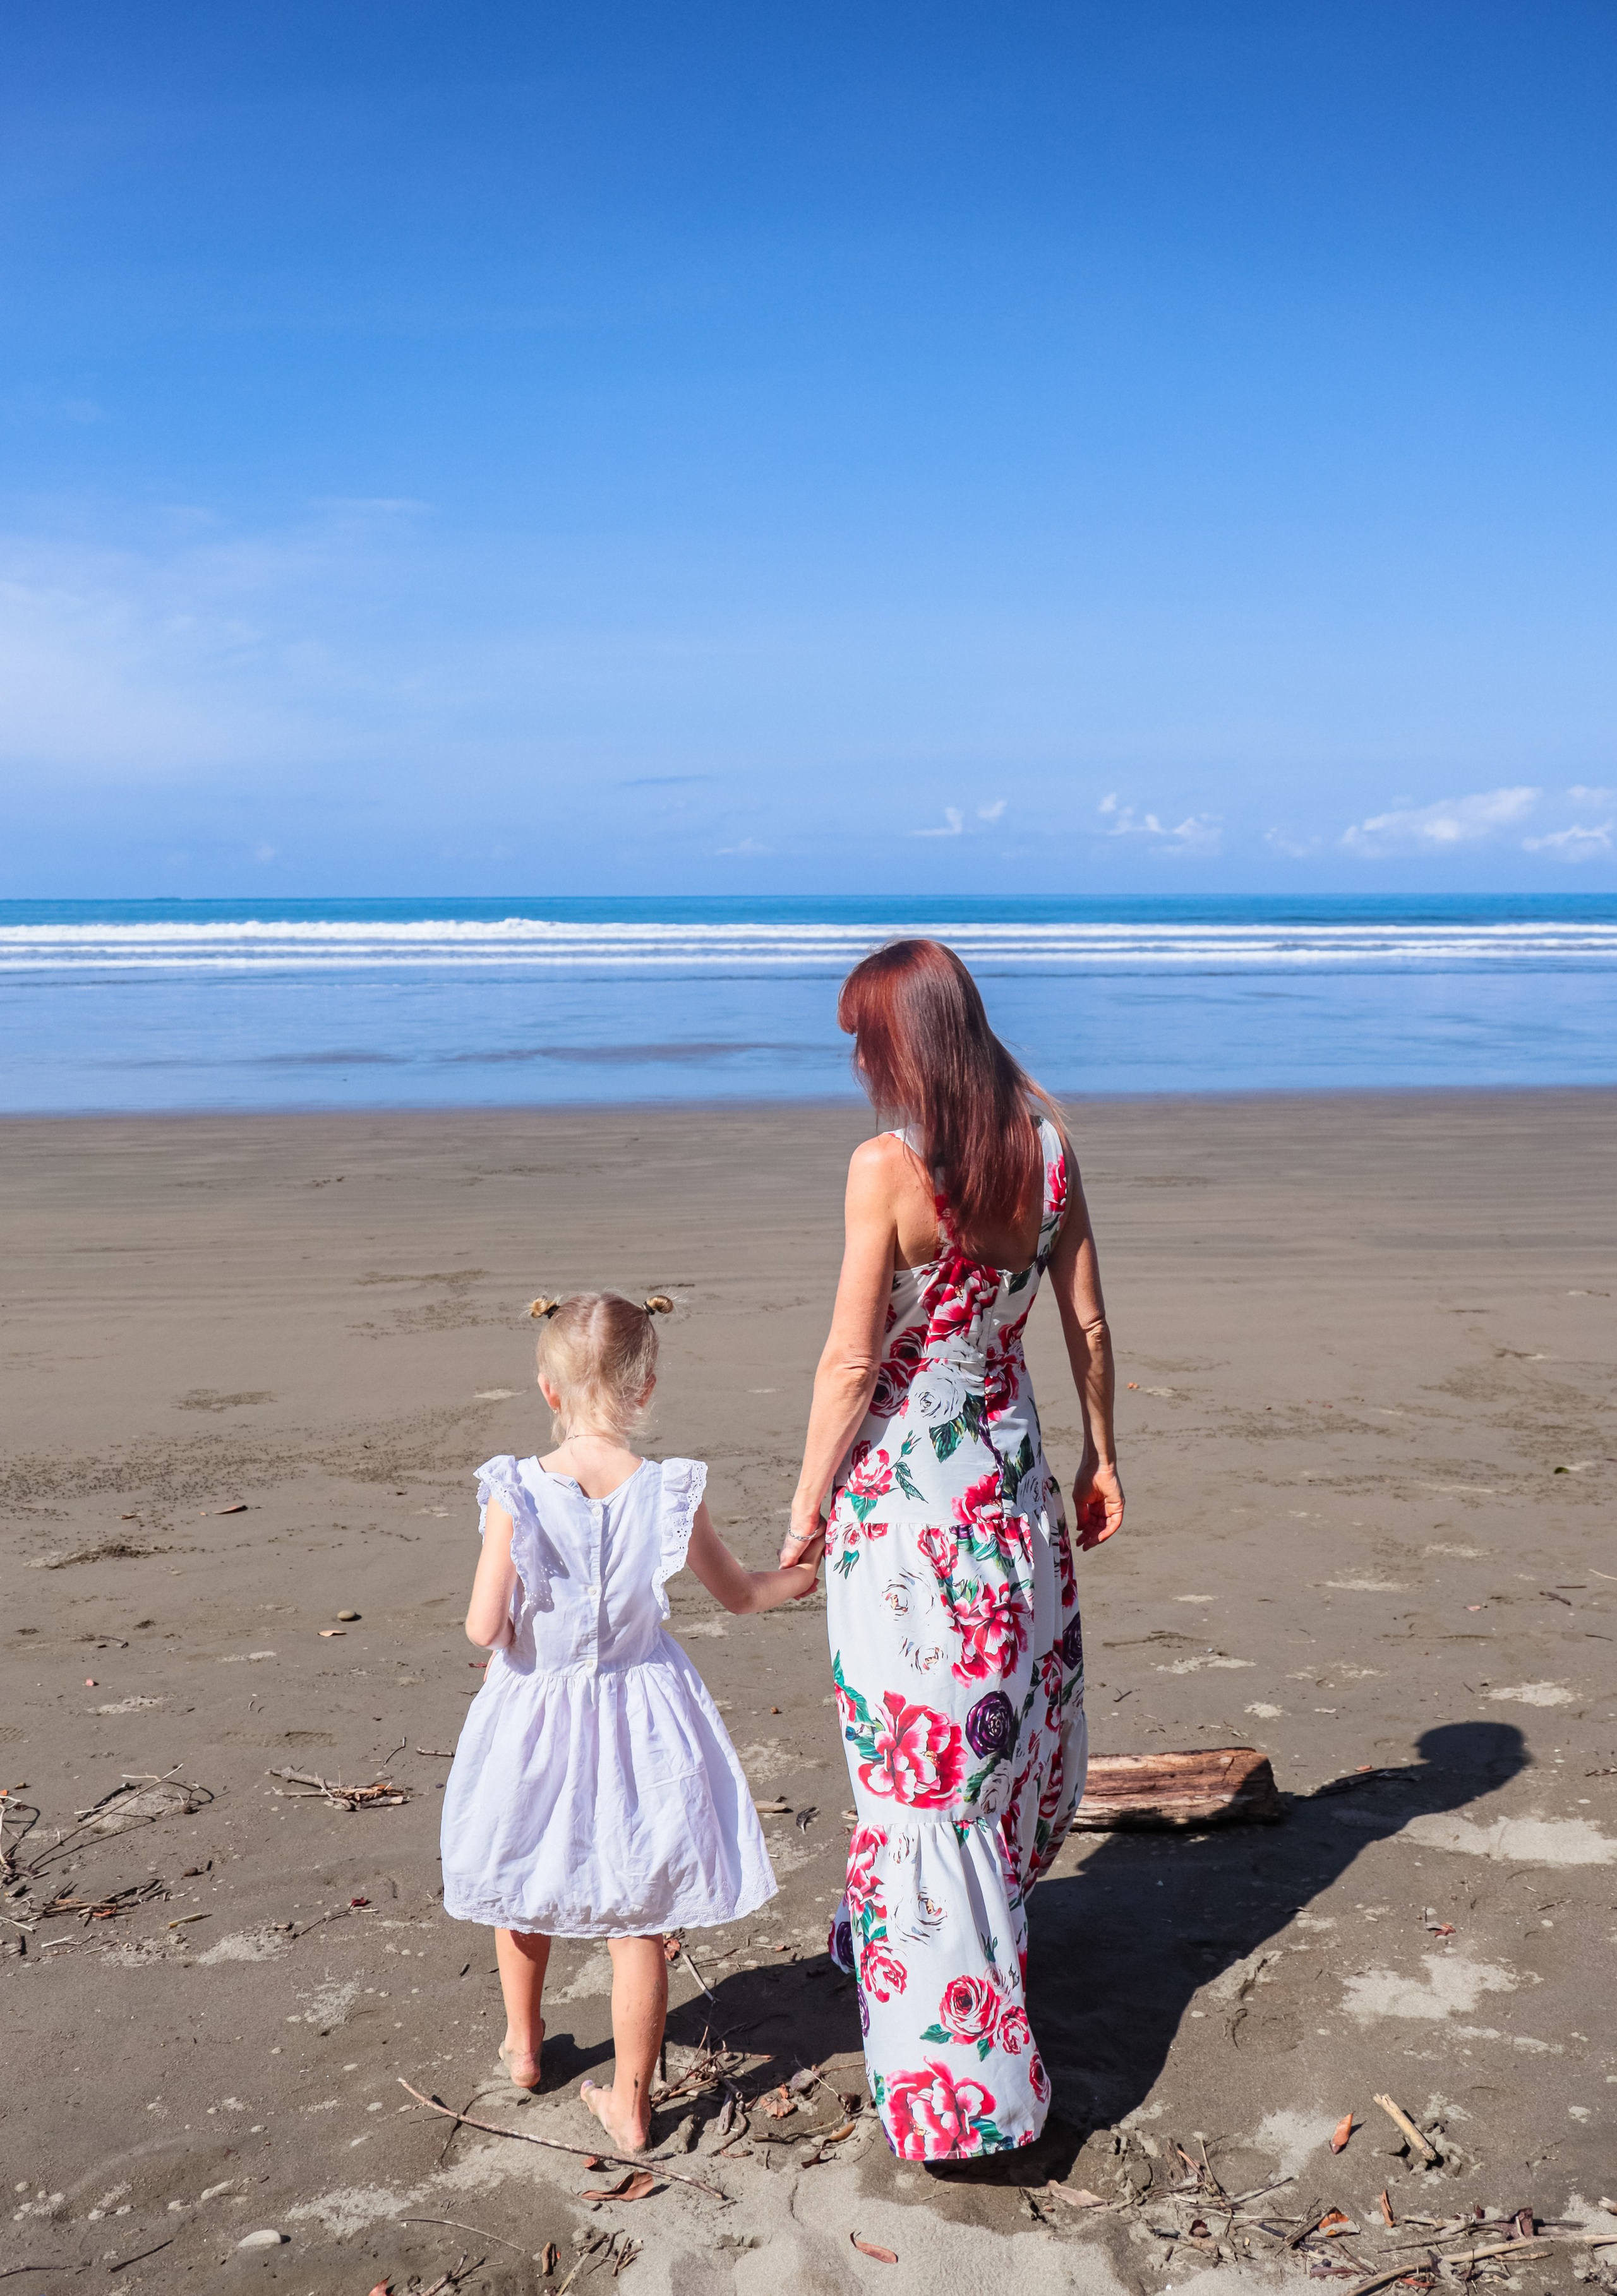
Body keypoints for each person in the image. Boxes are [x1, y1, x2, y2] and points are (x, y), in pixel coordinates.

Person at [781, 939, 1123, 2161]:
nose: (856, 1064)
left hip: (910, 1517)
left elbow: (847, 1362)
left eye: (862, 1041)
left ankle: (962, 2089)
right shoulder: (1044, 1142)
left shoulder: (886, 1170)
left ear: (904, 1041)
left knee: (914, 1763)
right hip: (1011, 1490)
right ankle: (899, 1937)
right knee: (997, 1733)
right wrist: (1102, 1456)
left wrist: (805, 1506)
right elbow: (1081, 1316)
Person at [440, 1289, 823, 2154]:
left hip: (535, 1713)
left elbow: (480, 1624)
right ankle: (633, 2104)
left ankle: (527, 2046)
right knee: (638, 1914)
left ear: (546, 1389)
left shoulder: (518, 1490)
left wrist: (511, 1636)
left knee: (522, 1871)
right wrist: (801, 1575)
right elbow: (740, 1594)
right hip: (643, 1717)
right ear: (644, 1389)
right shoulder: (666, 1491)